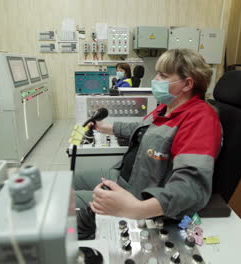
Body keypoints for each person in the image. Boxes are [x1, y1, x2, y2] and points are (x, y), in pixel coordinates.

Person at [74, 49, 222, 220]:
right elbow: (141, 129)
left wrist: (137, 209)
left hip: (139, 197)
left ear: (187, 84)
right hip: (122, 176)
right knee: (67, 182)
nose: (155, 80)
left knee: (62, 202)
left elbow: (191, 187)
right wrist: (104, 127)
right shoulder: (166, 107)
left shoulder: (201, 119)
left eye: (163, 76)